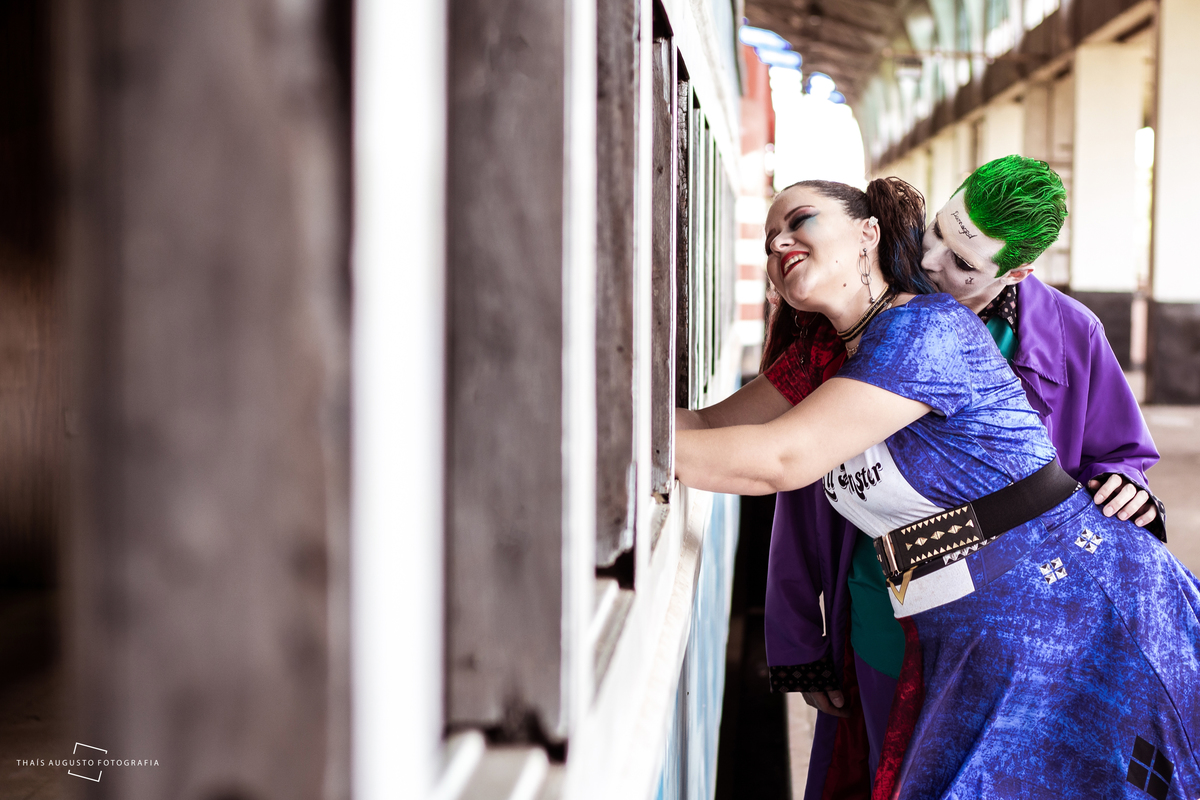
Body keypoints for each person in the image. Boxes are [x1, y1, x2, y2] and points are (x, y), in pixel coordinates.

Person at [675, 175, 1199, 798]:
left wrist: (1126, 482)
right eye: (936, 234)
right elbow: (727, 442)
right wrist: (798, 641)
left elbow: (781, 461)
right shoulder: (830, 348)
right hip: (922, 609)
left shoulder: (938, 329)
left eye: (800, 222)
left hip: (1057, 611)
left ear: (868, 233)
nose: (931, 264)